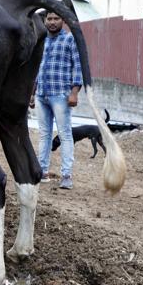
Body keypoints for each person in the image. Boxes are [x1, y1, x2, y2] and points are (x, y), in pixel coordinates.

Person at [29, 10, 82, 189]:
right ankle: (42, 171)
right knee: (44, 134)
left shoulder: (69, 39)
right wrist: (32, 93)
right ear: (45, 21)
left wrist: (75, 92)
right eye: (49, 19)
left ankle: (66, 175)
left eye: (56, 19)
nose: (52, 22)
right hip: (42, 93)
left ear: (63, 21)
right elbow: (36, 69)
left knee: (65, 134)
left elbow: (78, 66)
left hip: (61, 95)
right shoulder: (41, 41)